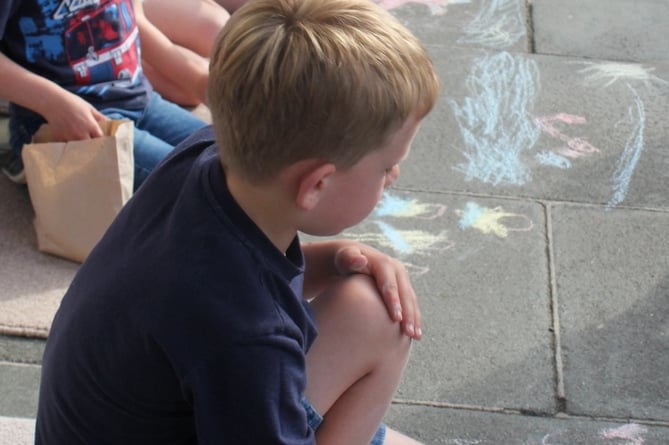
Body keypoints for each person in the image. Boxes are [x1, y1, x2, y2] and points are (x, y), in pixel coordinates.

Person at [34, 0, 440, 443]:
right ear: (316, 184)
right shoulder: (248, 337)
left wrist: (339, 258)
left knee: (368, 307)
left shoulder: (202, 156)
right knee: (387, 324)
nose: (394, 176)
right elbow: (235, 310)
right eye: (386, 168)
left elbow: (230, 275)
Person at [0, 0, 208, 190]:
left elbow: (135, 22)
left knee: (229, 157)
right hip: (67, 120)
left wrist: (199, 82)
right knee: (197, 185)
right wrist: (51, 103)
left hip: (140, 99)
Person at [141, 0, 235, 106]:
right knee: (189, 92)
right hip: (124, 15)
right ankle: (129, 59)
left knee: (219, 31)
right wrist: (197, 82)